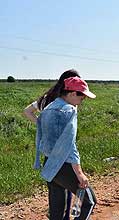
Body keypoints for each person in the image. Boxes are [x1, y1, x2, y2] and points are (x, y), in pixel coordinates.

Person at [34, 76, 97, 220]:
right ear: (72, 93)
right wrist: (79, 173)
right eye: (82, 97)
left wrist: (39, 160)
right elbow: (69, 145)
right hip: (64, 166)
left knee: (57, 211)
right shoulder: (69, 110)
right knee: (89, 202)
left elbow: (40, 136)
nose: (82, 101)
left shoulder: (48, 108)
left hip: (49, 163)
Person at [23, 69, 80, 220]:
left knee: (55, 193)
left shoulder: (47, 98)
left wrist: (42, 126)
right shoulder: (69, 103)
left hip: (48, 153)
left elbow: (27, 111)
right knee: (67, 194)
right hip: (64, 154)